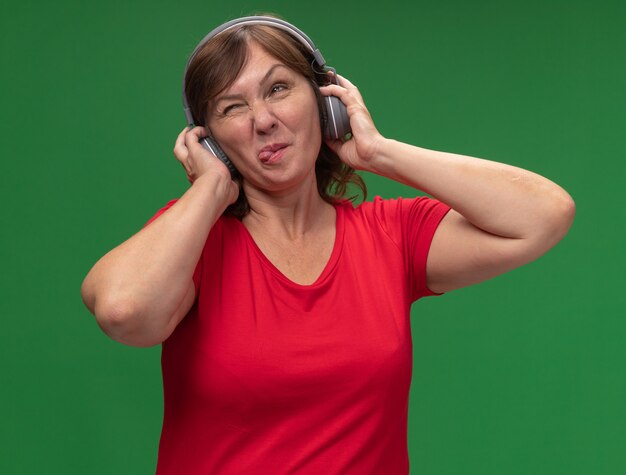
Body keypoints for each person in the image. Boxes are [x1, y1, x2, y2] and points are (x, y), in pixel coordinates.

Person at [80, 15, 575, 474]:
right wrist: (211, 187)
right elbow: (125, 311)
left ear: (325, 101)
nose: (262, 120)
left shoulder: (391, 235)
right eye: (233, 107)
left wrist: (378, 152)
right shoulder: (190, 242)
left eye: (278, 89)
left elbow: (543, 216)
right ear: (209, 141)